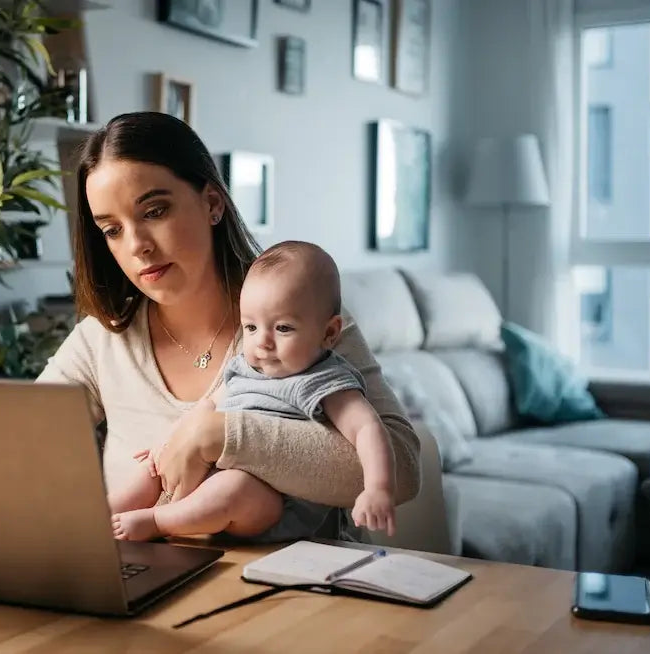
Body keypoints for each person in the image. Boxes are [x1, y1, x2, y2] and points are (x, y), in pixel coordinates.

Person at [34, 111, 421, 544]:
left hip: (296, 590)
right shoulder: (100, 340)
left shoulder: (299, 325)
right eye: (112, 229)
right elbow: (20, 444)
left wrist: (218, 435)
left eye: (155, 211)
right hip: (145, 581)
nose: (136, 245)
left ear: (212, 204)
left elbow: (403, 469)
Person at [108, 241, 398, 541]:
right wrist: (166, 443)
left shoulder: (324, 380)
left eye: (283, 328)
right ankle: (99, 520)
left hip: (275, 507)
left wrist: (378, 487)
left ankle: (156, 521)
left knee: (234, 487)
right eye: (250, 328)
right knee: (151, 467)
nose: (263, 342)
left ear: (329, 333)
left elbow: (367, 428)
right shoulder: (244, 368)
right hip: (216, 479)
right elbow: (206, 409)